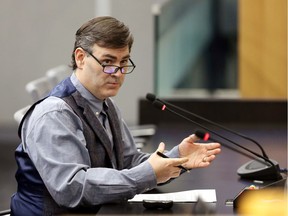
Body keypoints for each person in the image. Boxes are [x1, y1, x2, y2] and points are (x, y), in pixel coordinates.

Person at [10, 16, 221, 215]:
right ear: (81, 58)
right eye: (108, 63)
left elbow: (128, 161)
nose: (118, 73)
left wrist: (177, 158)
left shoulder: (105, 103)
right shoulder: (54, 114)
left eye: (124, 63)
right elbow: (72, 188)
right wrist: (149, 174)